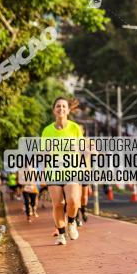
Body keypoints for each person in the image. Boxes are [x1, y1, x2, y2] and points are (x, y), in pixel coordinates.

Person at [41, 97, 84, 246]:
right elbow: (43, 154)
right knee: (58, 204)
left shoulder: (75, 128)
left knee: (72, 201)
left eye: (64, 106)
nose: (61, 109)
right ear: (54, 110)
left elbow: (82, 148)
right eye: (58, 106)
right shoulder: (47, 130)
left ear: (68, 110)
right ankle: (60, 234)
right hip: (53, 171)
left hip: (72, 170)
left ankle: (71, 222)